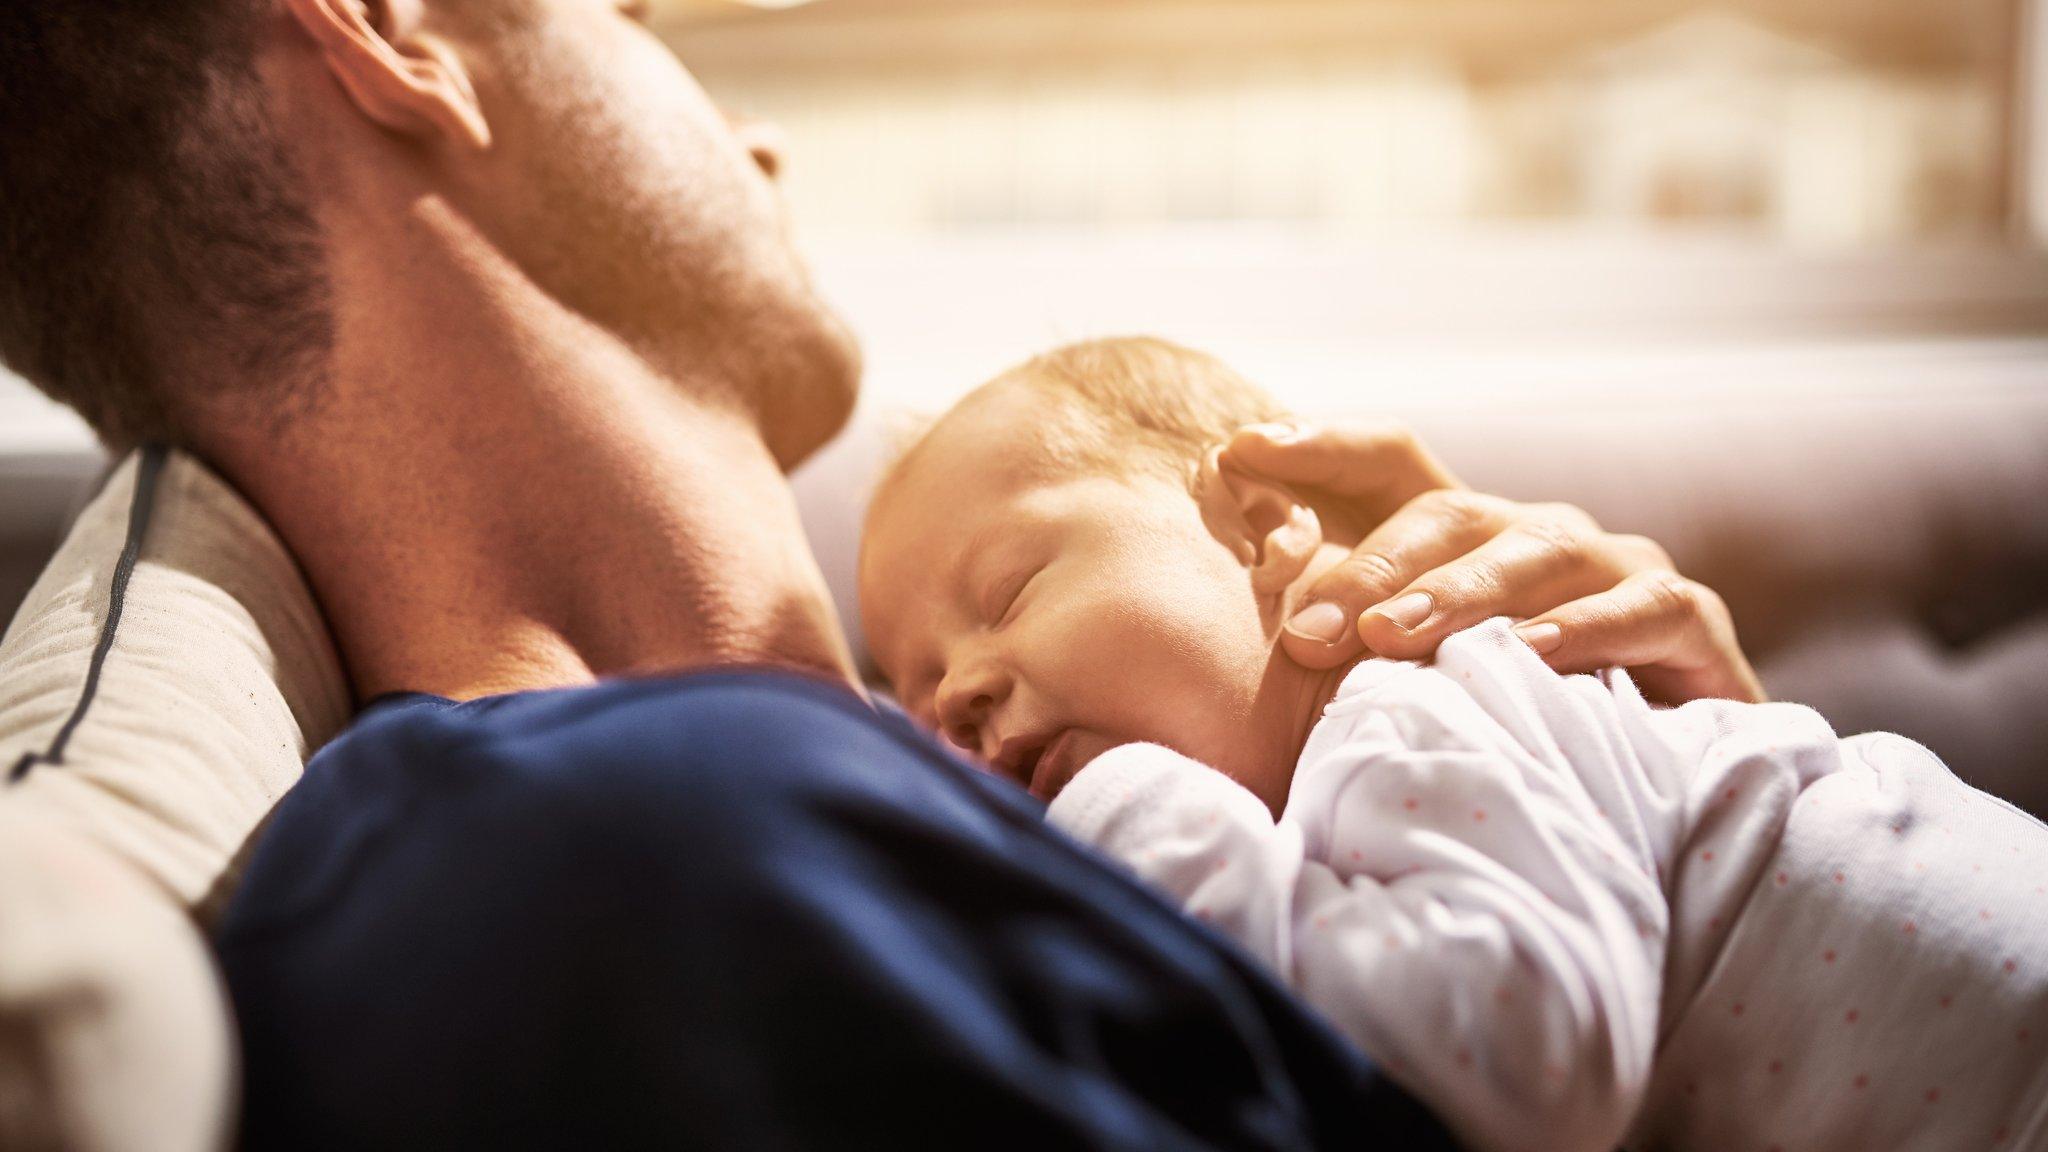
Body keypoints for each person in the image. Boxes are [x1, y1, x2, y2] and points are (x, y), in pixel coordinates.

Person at [0, 1, 1768, 1146]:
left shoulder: (1006, 735)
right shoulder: (614, 859)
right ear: (398, 35)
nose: (756, 138)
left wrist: (1673, 814)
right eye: (635, 15)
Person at [858, 338, 2048, 1152]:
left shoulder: (1421, 696)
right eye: (913, 696)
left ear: (1264, 531)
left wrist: (1126, 809)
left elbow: (1522, 1066)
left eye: (1007, 592)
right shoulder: (1329, 833)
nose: (956, 693)